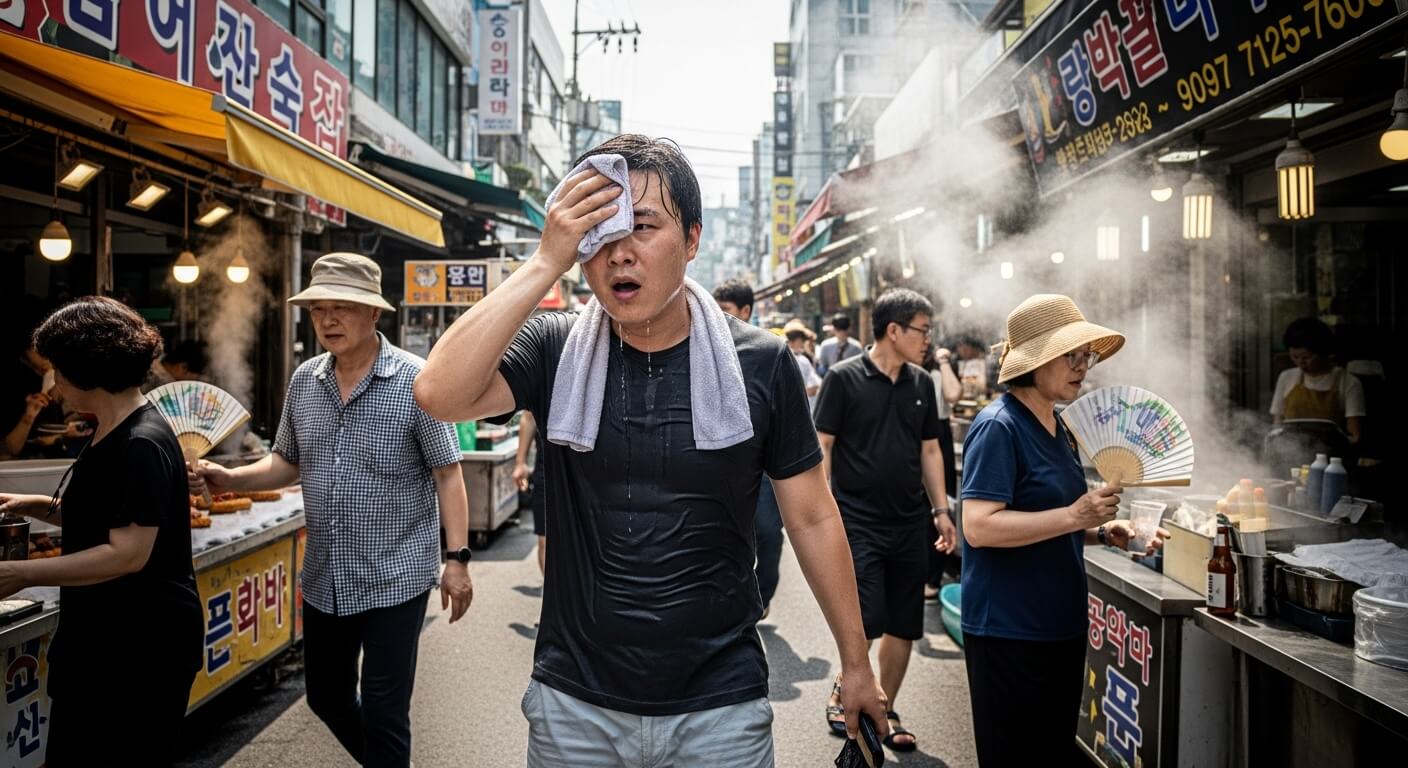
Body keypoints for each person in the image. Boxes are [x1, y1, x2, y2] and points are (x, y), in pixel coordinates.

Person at [415, 134, 889, 766]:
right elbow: (438, 393)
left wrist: (856, 662)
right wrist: (542, 262)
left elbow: (812, 516)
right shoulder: (558, 348)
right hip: (575, 705)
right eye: (600, 231)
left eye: (643, 226)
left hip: (721, 708)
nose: (620, 253)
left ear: (692, 240)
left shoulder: (762, 362)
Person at [189, 253, 473, 768]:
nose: (329, 320)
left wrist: (457, 559)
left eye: (343, 307)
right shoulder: (305, 381)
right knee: (325, 696)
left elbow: (448, 472)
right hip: (325, 577)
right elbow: (285, 463)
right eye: (319, 310)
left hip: (396, 576)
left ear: (374, 314)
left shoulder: (417, 381)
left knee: (387, 714)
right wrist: (230, 477)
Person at [960, 294, 1168, 766]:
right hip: (1009, 630)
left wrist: (1104, 530)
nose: (1082, 366)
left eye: (1086, 355)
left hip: (1060, 625)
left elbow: (1052, 519)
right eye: (1070, 356)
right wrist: (1076, 517)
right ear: (1032, 363)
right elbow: (979, 527)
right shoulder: (999, 427)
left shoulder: (1061, 427)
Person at [0, 297, 201, 766]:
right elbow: (110, 514)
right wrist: (36, 506)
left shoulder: (140, 442)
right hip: (107, 643)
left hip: (137, 653)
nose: (54, 382)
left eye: (57, 368)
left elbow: (127, 553)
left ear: (84, 368)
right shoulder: (114, 428)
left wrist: (23, 573)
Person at [814, 288, 958, 752]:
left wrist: (941, 511)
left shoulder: (921, 383)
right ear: (893, 330)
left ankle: (884, 708)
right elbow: (824, 446)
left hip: (909, 521)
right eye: (922, 329)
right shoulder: (842, 378)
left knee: (904, 622)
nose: (928, 339)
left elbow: (930, 449)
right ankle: (851, 685)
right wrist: (823, 512)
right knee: (869, 615)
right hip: (856, 519)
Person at [713, 281, 785, 619]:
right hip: (719, 468)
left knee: (770, 535)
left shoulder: (770, 354)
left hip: (765, 471)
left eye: (726, 310)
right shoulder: (703, 351)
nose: (719, 318)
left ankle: (762, 593)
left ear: (746, 312)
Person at [1270, 317, 1364, 445]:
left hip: (1332, 458)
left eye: (1306, 357)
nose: (1300, 363)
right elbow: (1277, 425)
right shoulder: (1286, 377)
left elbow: (1354, 435)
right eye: (1294, 356)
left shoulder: (1349, 382)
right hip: (1290, 452)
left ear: (1324, 353)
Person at [925, 344, 962, 599]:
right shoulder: (904, 372)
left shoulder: (937, 371)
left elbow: (954, 394)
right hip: (913, 436)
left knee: (941, 506)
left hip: (939, 438)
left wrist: (944, 361)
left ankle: (933, 578)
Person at [512, 410, 548, 575]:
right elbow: (529, 416)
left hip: (587, 469)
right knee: (546, 539)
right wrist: (520, 463)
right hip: (547, 468)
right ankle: (553, 594)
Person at [784, 319, 824, 413]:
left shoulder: (779, 357)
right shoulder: (801, 359)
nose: (803, 342)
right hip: (802, 408)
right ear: (792, 341)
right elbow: (813, 388)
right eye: (801, 339)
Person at [144, 338, 209, 391]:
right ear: (183, 368)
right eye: (195, 379)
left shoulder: (151, 363)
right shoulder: (157, 382)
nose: (192, 383)